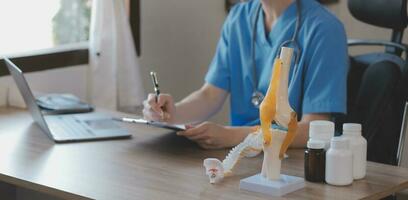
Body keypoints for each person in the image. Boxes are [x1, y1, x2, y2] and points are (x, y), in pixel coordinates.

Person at [143, 0, 348, 149]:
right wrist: (170, 114)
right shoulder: (239, 18)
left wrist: (233, 136)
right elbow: (210, 95)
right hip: (240, 154)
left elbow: (315, 128)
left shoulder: (325, 29)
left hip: (290, 161)